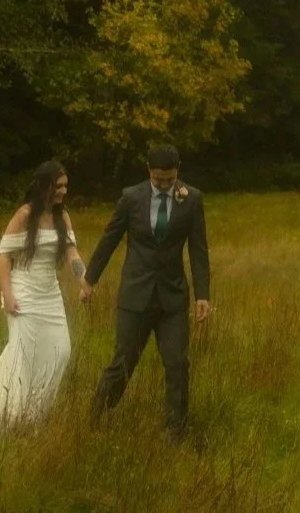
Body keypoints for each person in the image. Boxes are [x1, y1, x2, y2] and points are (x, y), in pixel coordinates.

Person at [81, 144, 210, 439]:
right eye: (158, 180)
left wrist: (202, 294)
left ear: (178, 170)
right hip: (135, 296)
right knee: (123, 362)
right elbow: (110, 238)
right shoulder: (131, 198)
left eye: (170, 180)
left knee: (177, 363)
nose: (164, 185)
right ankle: (93, 419)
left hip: (172, 298)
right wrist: (90, 279)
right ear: (148, 171)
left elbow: (198, 248)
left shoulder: (192, 199)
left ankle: (175, 430)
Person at [0, 160, 86, 442]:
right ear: (44, 186)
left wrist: (84, 281)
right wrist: (8, 295)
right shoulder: (24, 215)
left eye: (66, 186)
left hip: (49, 296)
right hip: (23, 294)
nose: (63, 191)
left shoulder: (62, 217)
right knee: (21, 356)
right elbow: (4, 256)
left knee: (61, 351)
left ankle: (34, 414)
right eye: (58, 186)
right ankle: (11, 422)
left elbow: (71, 253)